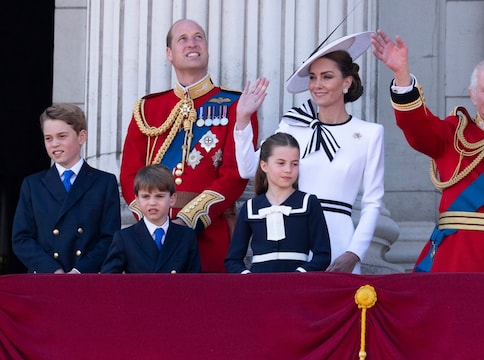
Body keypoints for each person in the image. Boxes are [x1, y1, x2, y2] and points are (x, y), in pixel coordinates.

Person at [371, 30, 484, 272]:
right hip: (452, 263)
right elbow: (416, 126)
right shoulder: (453, 134)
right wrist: (402, 75)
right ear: (473, 96)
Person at [119, 19, 268, 272]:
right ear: (169, 53)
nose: (192, 44)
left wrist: (188, 219)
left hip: (208, 236)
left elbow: (234, 174)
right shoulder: (147, 108)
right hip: (153, 235)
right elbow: (129, 175)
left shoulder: (236, 105)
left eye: (199, 37)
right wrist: (153, 220)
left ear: (207, 48)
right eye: (183, 39)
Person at [234, 31, 384, 274]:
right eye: (313, 77)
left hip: (339, 238)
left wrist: (354, 252)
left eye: (327, 77)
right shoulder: (293, 125)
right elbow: (248, 169)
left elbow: (373, 202)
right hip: (292, 232)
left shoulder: (369, 133)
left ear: (346, 82)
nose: (317, 85)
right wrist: (242, 120)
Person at [12, 103, 121, 273]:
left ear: (81, 136)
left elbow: (109, 238)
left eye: (62, 136)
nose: (54, 143)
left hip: (86, 278)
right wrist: (52, 269)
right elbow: (21, 239)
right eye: (48, 138)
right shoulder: (32, 185)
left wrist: (79, 270)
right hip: (45, 279)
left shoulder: (104, 183)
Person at [225, 133, 331, 273]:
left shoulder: (309, 203)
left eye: (294, 164)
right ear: (264, 166)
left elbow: (323, 255)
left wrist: (299, 275)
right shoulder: (250, 208)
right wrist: (248, 278)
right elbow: (233, 260)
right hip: (260, 288)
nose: (288, 170)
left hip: (297, 287)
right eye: (281, 163)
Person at [101, 164, 201, 273]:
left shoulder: (186, 236)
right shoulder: (124, 238)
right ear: (137, 200)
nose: (152, 203)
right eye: (145, 197)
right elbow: (109, 282)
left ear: (172, 199)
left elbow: (194, 282)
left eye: (159, 196)